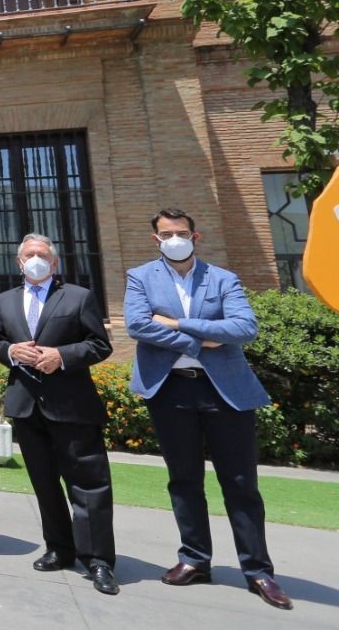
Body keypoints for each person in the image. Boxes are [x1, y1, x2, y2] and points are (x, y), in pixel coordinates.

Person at [125, 208, 291, 610]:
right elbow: (137, 325)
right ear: (156, 240)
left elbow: (243, 328)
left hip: (224, 393)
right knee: (184, 481)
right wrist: (203, 340)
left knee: (240, 483)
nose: (174, 238)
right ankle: (194, 559)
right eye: (166, 234)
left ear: (195, 237)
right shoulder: (140, 277)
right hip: (171, 392)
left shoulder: (222, 278)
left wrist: (180, 326)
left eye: (181, 232)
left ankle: (258, 570)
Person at [0, 234, 118, 595]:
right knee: (44, 484)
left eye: (42, 255)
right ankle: (59, 548)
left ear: (55, 262)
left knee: (88, 485)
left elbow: (99, 344)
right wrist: (12, 351)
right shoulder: (5, 300)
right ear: (19, 262)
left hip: (72, 407)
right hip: (26, 406)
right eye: (29, 255)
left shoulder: (78, 296)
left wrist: (61, 356)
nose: (35, 260)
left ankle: (98, 559)